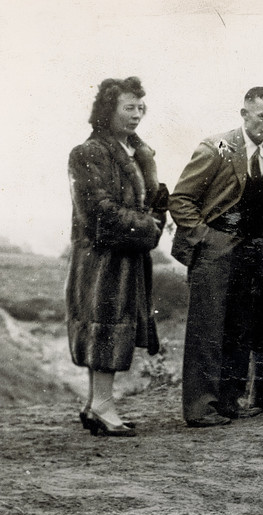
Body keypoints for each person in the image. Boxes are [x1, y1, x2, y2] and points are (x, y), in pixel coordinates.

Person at [169, 87, 263, 427]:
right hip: (216, 250)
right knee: (207, 328)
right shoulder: (217, 147)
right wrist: (205, 238)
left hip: (252, 251)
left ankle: (230, 402)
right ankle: (201, 408)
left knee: (241, 327)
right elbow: (180, 200)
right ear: (244, 114)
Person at [67, 76, 167, 437]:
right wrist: (149, 227)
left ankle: (96, 405)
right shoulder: (89, 152)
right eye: (129, 108)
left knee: (110, 326)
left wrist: (155, 217)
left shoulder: (137, 153)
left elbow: (150, 203)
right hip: (102, 260)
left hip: (128, 257)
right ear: (108, 111)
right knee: (105, 326)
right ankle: (103, 406)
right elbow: (98, 214)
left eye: (141, 108)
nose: (137, 114)